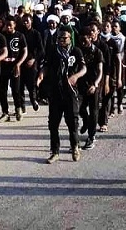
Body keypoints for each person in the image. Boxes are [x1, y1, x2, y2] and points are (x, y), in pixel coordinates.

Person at [37, 27, 87, 164]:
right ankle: (55, 151)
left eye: (64, 38)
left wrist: (75, 76)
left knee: (72, 123)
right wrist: (41, 75)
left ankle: (75, 147)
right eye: (59, 38)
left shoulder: (76, 51)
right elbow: (46, 66)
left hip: (70, 92)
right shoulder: (53, 51)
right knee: (53, 124)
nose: (61, 40)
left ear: (70, 38)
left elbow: (84, 68)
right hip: (55, 92)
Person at [77, 26, 104, 150]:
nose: (83, 41)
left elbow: (100, 71)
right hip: (80, 85)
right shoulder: (78, 51)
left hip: (93, 85)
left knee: (94, 112)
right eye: (81, 39)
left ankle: (91, 136)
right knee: (79, 108)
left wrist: (95, 84)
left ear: (91, 38)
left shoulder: (97, 52)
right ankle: (86, 121)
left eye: (85, 39)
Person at [0, 16, 27, 122]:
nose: (8, 27)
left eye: (10, 25)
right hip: (3, 66)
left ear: (14, 25)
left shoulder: (20, 36)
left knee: (16, 89)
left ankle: (18, 109)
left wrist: (19, 64)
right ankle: (5, 113)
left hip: (15, 66)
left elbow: (25, 51)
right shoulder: (2, 36)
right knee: (2, 90)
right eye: (6, 25)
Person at [19, 14, 44, 113]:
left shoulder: (36, 34)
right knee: (19, 86)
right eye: (23, 21)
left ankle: (33, 100)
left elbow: (41, 50)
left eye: (27, 21)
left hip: (32, 62)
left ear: (31, 21)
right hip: (20, 62)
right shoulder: (20, 34)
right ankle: (21, 106)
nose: (25, 23)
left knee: (31, 85)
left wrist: (34, 59)